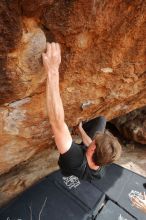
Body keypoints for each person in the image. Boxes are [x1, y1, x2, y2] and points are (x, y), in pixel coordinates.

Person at [42, 42, 122, 181]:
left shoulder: (74, 159)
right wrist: (80, 130)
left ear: (92, 150)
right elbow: (90, 143)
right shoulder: (100, 170)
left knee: (62, 133)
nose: (95, 139)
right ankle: (79, 132)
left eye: (95, 141)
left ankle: (71, 142)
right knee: (101, 120)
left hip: (68, 166)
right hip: (86, 153)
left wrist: (52, 70)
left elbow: (57, 123)